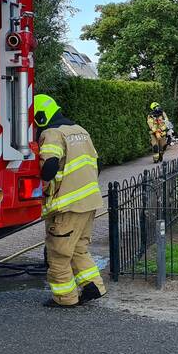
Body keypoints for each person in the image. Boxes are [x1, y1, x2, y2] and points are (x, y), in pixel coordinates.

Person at [33, 94, 106, 308]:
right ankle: (94, 286)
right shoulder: (80, 131)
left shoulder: (52, 134)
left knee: (58, 254)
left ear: (39, 117)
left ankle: (65, 299)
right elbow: (97, 165)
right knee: (78, 249)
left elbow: (48, 168)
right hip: (90, 202)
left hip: (67, 206)